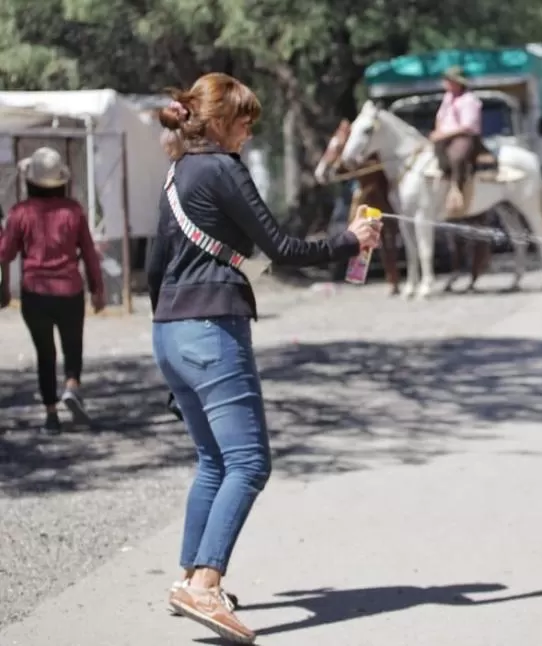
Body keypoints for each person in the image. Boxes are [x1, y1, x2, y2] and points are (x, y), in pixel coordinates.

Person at [149, 72, 381, 644]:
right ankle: (204, 583)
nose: (250, 132)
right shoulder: (224, 169)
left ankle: (189, 576)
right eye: (245, 121)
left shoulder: (177, 173)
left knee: (212, 460)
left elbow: (155, 266)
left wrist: (174, 359)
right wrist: (350, 241)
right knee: (249, 463)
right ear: (220, 121)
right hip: (211, 328)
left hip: (169, 332)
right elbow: (282, 248)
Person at [0, 147, 105, 434]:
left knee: (45, 354)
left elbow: (4, 254)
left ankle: (50, 415)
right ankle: (72, 385)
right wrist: (97, 288)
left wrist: (3, 288)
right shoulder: (73, 211)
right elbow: (89, 252)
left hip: (34, 293)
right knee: (73, 345)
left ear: (30, 181)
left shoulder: (19, 213)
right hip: (69, 290)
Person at [430, 66, 484, 216]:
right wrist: (438, 131)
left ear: (458, 83)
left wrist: (443, 135)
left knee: (457, 155)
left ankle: (457, 189)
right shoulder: (448, 98)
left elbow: (466, 127)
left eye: (449, 81)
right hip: (446, 136)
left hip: (465, 137)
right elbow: (440, 117)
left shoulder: (469, 100)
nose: (446, 84)